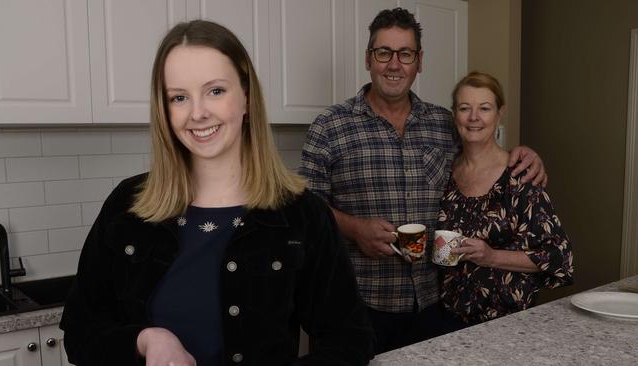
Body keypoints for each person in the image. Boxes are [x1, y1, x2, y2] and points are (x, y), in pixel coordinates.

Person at [60, 20, 374, 366]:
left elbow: (349, 341)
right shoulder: (127, 205)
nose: (197, 113)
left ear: (246, 98)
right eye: (179, 97)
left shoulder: (302, 214)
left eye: (215, 91)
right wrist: (147, 340)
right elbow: (80, 333)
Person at [299, 8, 547, 353]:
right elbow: (305, 210)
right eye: (383, 52)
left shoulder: (444, 123)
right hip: (357, 302)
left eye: (406, 54)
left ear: (419, 61)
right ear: (368, 59)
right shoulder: (330, 126)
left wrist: (522, 153)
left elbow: (484, 155)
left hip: (435, 302)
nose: (394, 64)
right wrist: (355, 228)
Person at [437, 71, 574, 326]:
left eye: (485, 108)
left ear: (500, 113)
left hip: (507, 323)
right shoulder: (445, 173)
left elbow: (559, 257)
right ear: (454, 114)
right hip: (446, 322)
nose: (474, 117)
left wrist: (491, 256)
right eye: (465, 108)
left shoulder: (521, 176)